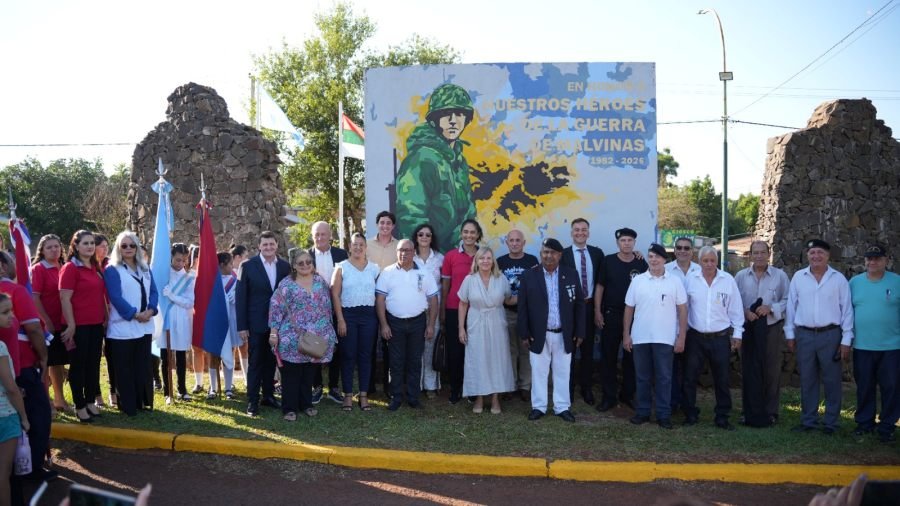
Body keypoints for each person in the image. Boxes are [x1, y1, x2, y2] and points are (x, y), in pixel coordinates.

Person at [395, 83, 477, 250]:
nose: (453, 120)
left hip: (456, 256)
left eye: (459, 113)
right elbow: (411, 215)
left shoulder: (459, 162)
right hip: (429, 258)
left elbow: (468, 213)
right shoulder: (421, 159)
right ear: (434, 120)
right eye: (446, 114)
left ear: (466, 119)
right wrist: (427, 256)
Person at [785, 239, 854, 435]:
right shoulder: (799, 277)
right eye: (812, 252)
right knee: (807, 379)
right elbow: (791, 307)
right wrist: (790, 334)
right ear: (807, 255)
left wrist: (846, 340)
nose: (816, 256)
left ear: (828, 256)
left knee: (832, 380)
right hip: (805, 335)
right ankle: (809, 420)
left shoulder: (838, 279)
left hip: (831, 335)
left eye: (820, 253)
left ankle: (831, 422)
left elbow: (847, 310)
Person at [517, 238, 585, 423]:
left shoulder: (571, 274)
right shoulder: (529, 275)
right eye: (545, 252)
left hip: (564, 333)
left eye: (553, 252)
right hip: (539, 333)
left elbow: (579, 304)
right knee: (538, 371)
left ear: (560, 255)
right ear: (541, 254)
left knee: (562, 371)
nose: (549, 256)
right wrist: (524, 333)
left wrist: (579, 331)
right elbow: (522, 307)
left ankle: (562, 407)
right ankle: (538, 406)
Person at [0, 252, 53, 482]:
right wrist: (43, 356)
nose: (16, 263)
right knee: (36, 417)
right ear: (3, 266)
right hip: (20, 367)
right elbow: (33, 329)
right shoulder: (16, 291)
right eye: (12, 259)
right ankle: (30, 469)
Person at [622, 244, 687, 429]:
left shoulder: (674, 281)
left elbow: (682, 310)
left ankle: (663, 414)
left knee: (664, 378)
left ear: (664, 259)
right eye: (650, 256)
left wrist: (681, 337)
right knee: (642, 377)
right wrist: (626, 335)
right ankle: (642, 412)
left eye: (657, 257)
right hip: (640, 338)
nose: (654, 260)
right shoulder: (638, 281)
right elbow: (629, 309)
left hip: (665, 339)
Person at [268, 250, 337, 420]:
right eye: (301, 263)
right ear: (294, 266)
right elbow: (276, 308)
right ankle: (289, 408)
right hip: (291, 336)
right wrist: (274, 332)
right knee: (291, 375)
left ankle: (306, 404)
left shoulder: (320, 282)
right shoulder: (286, 285)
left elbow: (327, 309)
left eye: (308, 262)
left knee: (309, 373)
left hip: (315, 337)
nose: (305, 265)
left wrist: (330, 333)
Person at [683, 246, 744, 430]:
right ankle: (690, 414)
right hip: (695, 337)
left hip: (720, 337)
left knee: (722, 379)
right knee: (690, 377)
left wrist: (738, 333)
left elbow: (736, 309)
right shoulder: (690, 279)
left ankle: (722, 417)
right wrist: (681, 333)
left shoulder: (728, 280)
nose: (709, 264)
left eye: (712, 260)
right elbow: (683, 308)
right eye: (705, 261)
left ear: (717, 261)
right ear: (699, 261)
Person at [375, 239, 439, 411]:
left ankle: (413, 397)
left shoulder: (424, 273)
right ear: (396, 252)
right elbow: (380, 300)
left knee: (414, 361)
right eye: (401, 250)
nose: (404, 253)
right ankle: (396, 397)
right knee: (395, 362)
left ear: (413, 252)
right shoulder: (387, 272)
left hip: (418, 322)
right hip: (394, 323)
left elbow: (434, 299)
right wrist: (384, 325)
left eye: (408, 250)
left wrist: (431, 325)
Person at [734, 240, 790, 427]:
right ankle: (748, 410)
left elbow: (788, 300)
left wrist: (771, 308)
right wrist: (744, 312)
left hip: (770, 328)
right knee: (748, 369)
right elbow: (733, 301)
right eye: (755, 252)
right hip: (747, 329)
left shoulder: (780, 276)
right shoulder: (740, 276)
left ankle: (770, 411)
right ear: (750, 255)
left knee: (771, 370)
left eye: (762, 252)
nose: (758, 256)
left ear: (769, 253)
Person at [103, 232, 158, 417]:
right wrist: (134, 314)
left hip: (144, 326)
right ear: (118, 248)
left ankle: (143, 402)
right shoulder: (112, 270)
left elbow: (154, 292)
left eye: (132, 245)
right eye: (124, 245)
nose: (128, 249)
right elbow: (115, 297)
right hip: (123, 327)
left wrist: (150, 311)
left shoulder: (145, 268)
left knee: (142, 365)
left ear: (137, 247)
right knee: (124, 368)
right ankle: (128, 405)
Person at [236, 231, 290, 416]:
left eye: (271, 244)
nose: (268, 247)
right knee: (256, 362)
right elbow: (241, 297)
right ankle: (252, 401)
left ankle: (268, 396)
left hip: (279, 323)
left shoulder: (285, 267)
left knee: (271, 361)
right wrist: (242, 326)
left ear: (276, 245)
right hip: (256, 323)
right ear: (259, 246)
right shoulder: (248, 266)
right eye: (265, 244)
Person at [594, 227, 647, 412]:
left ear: (634, 243)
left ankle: (627, 395)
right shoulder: (608, 261)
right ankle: (609, 397)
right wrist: (597, 311)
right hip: (611, 315)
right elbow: (599, 287)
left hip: (635, 317)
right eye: (623, 241)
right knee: (608, 357)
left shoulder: (641, 263)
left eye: (629, 241)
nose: (626, 243)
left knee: (631, 357)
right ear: (618, 243)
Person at [849, 244, 898, 442]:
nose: (873, 262)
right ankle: (864, 423)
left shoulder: (897, 282)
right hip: (862, 346)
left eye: (877, 258)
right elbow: (846, 312)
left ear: (887, 260)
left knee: (892, 387)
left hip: (892, 347)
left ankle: (887, 426)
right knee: (864, 386)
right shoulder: (854, 283)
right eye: (869, 258)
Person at [458, 247, 515, 414]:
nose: (485, 261)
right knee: (477, 359)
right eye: (482, 258)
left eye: (489, 258)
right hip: (476, 321)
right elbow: (463, 304)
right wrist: (461, 328)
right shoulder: (469, 280)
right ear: (476, 261)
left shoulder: (501, 278)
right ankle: (479, 398)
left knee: (497, 359)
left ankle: (496, 398)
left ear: (493, 261)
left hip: (497, 321)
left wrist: (528, 291)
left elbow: (509, 300)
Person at [59, 230, 107, 424]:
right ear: (75, 246)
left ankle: (89, 401)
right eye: (85, 243)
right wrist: (71, 324)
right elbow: (64, 298)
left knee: (93, 365)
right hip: (77, 326)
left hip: (95, 324)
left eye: (91, 243)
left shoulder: (94, 267)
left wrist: (105, 318)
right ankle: (79, 406)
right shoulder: (70, 268)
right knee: (78, 366)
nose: (89, 246)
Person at [331, 233, 379, 411]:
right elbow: (335, 294)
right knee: (348, 355)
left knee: (366, 356)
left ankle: (364, 395)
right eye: (354, 244)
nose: (358, 248)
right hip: (348, 316)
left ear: (366, 247)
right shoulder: (341, 267)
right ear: (349, 247)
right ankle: (348, 395)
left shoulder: (374, 269)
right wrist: (340, 319)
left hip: (368, 316)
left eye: (361, 244)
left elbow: (379, 295)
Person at [561, 218, 605, 405]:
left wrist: (597, 310)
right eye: (576, 230)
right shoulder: (562, 254)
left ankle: (586, 388)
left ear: (588, 232)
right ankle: (567, 389)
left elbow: (601, 282)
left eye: (584, 229)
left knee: (587, 350)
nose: (580, 233)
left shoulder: (597, 253)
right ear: (571, 233)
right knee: (568, 350)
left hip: (588, 307)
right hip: (569, 309)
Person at [441, 219, 481, 404]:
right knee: (455, 352)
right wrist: (442, 311)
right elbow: (446, 285)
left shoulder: (484, 255)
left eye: (472, 232)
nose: (469, 235)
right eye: (465, 232)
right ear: (461, 234)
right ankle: (456, 390)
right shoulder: (450, 256)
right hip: (453, 309)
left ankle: (472, 390)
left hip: (477, 311)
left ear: (478, 235)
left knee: (474, 351)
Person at [308, 221, 348, 405]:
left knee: (337, 347)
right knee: (314, 347)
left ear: (330, 235)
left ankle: (333, 387)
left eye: (323, 234)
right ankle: (316, 386)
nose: (320, 238)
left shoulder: (341, 255)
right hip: (313, 312)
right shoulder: (304, 256)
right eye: (317, 234)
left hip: (337, 307)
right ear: (312, 236)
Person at [496, 229, 538, 403]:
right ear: (507, 243)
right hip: (506, 312)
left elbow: (536, 287)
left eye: (517, 240)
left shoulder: (532, 261)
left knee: (525, 349)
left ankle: (525, 386)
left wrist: (519, 298)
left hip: (527, 313)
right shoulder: (500, 262)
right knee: (509, 350)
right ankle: (510, 385)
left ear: (523, 242)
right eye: (511, 240)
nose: (514, 243)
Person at [30, 234, 70, 415]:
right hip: (47, 324)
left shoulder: (63, 267)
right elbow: (35, 297)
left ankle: (59, 399)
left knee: (59, 363)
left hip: (63, 322)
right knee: (46, 363)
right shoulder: (38, 269)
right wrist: (45, 320)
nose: (54, 250)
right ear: (42, 250)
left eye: (56, 246)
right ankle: (46, 402)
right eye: (49, 247)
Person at [0, 293, 29, 506]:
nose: (12, 316)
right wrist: (24, 417)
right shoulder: (0, 347)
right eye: (5, 312)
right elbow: (10, 388)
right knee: (3, 475)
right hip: (5, 415)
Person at [665, 237, 700, 416]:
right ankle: (671, 404)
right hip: (671, 327)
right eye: (679, 247)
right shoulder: (665, 270)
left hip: (694, 328)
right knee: (670, 369)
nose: (683, 251)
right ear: (674, 250)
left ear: (692, 251)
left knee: (690, 370)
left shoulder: (701, 271)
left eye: (687, 248)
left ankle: (688, 406)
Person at [366, 211, 399, 397]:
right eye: (382, 223)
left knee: (389, 345)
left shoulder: (399, 246)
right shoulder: (367, 245)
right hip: (369, 300)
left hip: (391, 301)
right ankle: (369, 387)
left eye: (388, 223)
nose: (385, 226)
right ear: (377, 224)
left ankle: (389, 388)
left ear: (393, 226)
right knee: (369, 345)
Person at [157, 243, 193, 405]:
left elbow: (189, 302)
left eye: (184, 260)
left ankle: (182, 389)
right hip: (165, 318)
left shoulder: (189, 277)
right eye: (178, 260)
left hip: (181, 320)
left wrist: (172, 295)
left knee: (180, 356)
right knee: (165, 356)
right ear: (171, 257)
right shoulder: (163, 274)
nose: (181, 264)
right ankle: (167, 390)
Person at [412, 223, 444, 398]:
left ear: (432, 238)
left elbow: (444, 285)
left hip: (434, 308)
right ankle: (416, 384)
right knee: (416, 347)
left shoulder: (440, 259)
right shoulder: (410, 257)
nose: (424, 238)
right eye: (421, 234)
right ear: (416, 237)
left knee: (431, 345)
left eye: (428, 235)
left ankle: (431, 386)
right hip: (414, 308)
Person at [93, 234, 114, 409]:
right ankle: (96, 394)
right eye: (102, 246)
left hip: (113, 315)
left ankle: (113, 392)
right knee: (94, 359)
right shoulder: (89, 267)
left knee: (112, 355)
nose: (105, 249)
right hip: (94, 316)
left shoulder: (110, 265)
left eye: (107, 246)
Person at [218, 252, 240, 400]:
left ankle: (228, 386)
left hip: (231, 320)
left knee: (230, 350)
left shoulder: (235, 281)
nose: (232, 267)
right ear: (222, 265)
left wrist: (237, 296)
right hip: (218, 321)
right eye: (230, 264)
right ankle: (214, 387)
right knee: (214, 354)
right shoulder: (213, 281)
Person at [229, 244, 249, 386]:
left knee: (244, 347)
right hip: (230, 314)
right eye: (245, 256)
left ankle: (247, 378)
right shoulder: (227, 273)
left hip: (241, 313)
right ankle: (229, 382)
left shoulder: (244, 272)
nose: (247, 259)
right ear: (238, 257)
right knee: (230, 348)